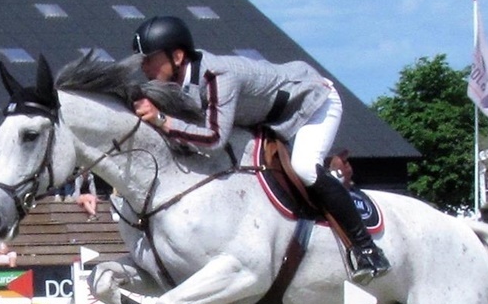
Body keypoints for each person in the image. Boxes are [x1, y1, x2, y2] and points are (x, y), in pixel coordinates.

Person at [130, 15, 389, 284]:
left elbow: (214, 139)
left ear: (178, 56)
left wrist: (162, 119)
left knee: (304, 168)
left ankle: (367, 249)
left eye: (149, 59)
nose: (144, 67)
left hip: (313, 102)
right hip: (271, 119)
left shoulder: (217, 76)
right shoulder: (180, 83)